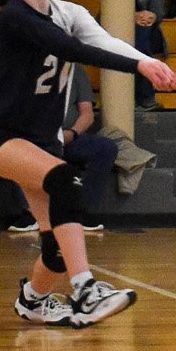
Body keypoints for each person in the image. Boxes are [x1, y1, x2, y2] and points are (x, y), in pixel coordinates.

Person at [0, 0, 176, 327]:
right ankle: (86, 290)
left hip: (42, 139)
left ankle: (33, 300)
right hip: (1, 137)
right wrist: (139, 68)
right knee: (67, 183)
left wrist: (150, 64)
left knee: (56, 246)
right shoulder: (12, 16)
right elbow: (72, 50)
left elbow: (101, 41)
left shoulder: (69, 12)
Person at [62, 68, 119, 230]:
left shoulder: (76, 71)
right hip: (41, 138)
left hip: (70, 137)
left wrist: (71, 133)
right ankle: (28, 213)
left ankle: (83, 211)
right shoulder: (32, 67)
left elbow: (87, 114)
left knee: (106, 148)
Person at [131, 0, 169, 110]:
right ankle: (146, 96)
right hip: (120, 28)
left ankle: (145, 96)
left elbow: (159, 12)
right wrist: (131, 16)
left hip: (146, 32)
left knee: (142, 33)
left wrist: (150, 16)